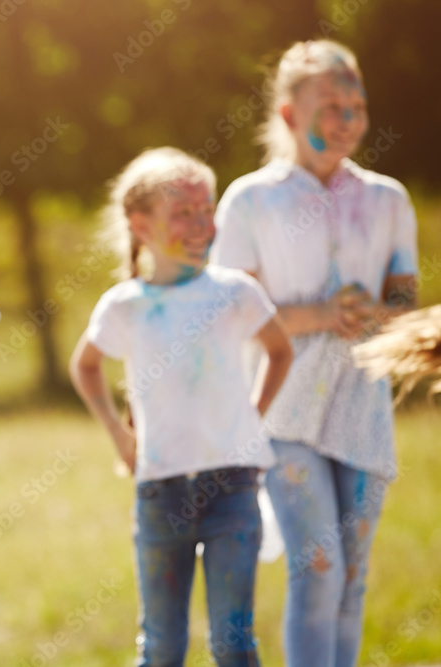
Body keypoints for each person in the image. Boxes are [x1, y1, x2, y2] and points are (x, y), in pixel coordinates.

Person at [212, 39, 418, 667]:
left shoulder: (388, 199)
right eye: (330, 105)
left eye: (357, 105)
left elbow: (403, 300)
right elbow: (231, 311)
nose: (347, 119)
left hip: (362, 405)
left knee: (353, 575)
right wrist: (321, 315)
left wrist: (382, 316)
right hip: (285, 407)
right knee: (318, 567)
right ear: (287, 115)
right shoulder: (250, 200)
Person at [70, 147, 292, 666]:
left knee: (233, 642)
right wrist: (120, 438)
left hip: (233, 487)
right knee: (163, 646)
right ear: (140, 225)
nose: (200, 225)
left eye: (205, 210)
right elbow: (85, 365)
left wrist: (251, 415)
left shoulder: (236, 291)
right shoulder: (125, 305)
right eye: (182, 214)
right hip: (160, 491)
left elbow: (280, 351)